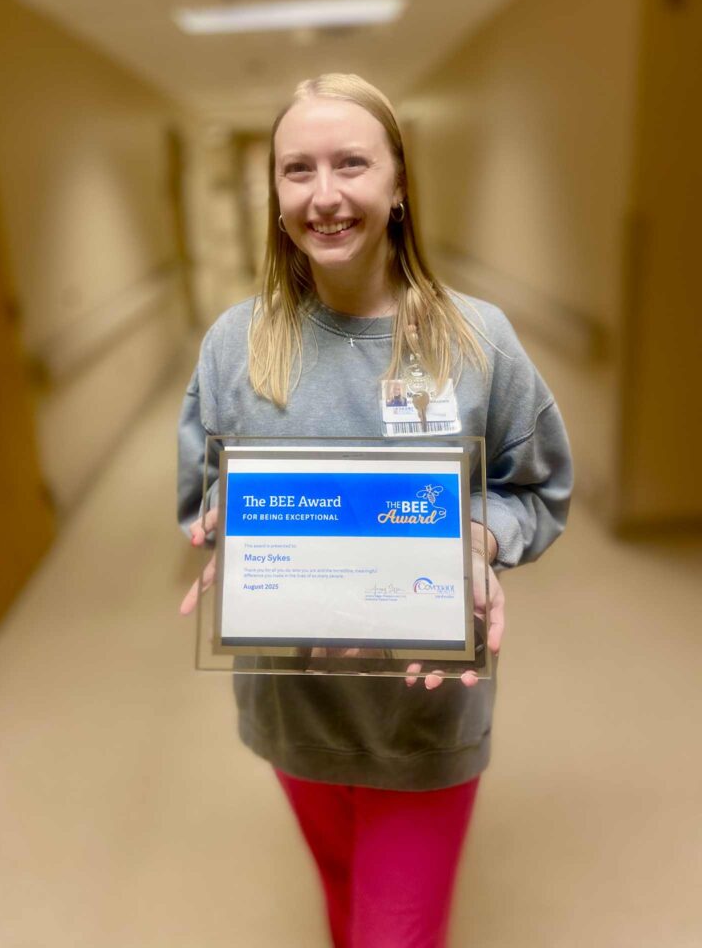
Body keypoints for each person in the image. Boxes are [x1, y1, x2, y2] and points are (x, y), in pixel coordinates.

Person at [177, 73, 573, 948]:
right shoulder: (235, 347)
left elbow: (536, 489)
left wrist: (484, 537)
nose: (324, 196)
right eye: (297, 170)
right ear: (274, 193)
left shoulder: (477, 342)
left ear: (398, 185)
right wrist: (229, 534)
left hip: (423, 716)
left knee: (394, 934)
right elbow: (202, 489)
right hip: (294, 711)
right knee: (344, 895)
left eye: (351, 164)